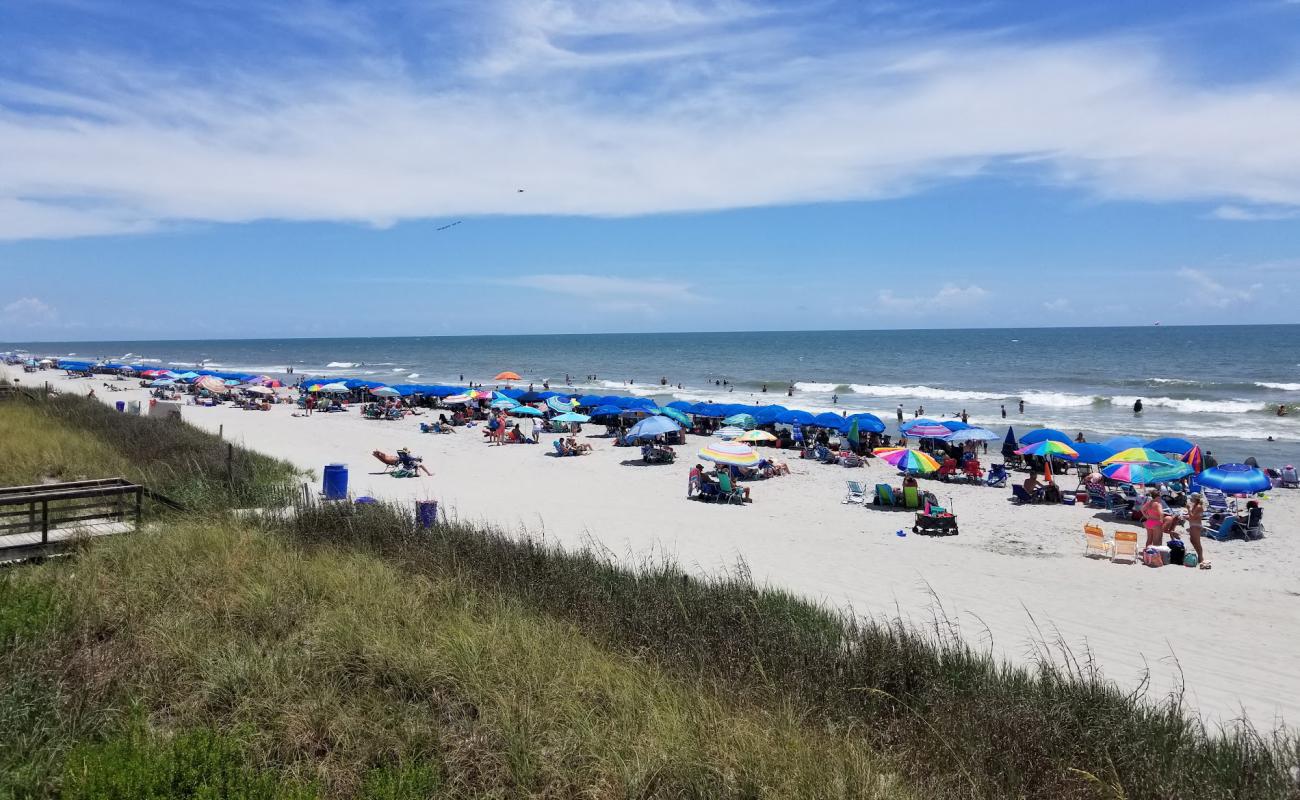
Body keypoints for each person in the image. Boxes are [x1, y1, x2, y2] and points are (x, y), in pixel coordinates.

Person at [1185, 492, 1207, 565]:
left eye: (1191, 499)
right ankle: (1200, 556)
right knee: (1192, 540)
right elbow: (1193, 517)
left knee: (1197, 542)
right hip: (1193, 525)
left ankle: (1201, 557)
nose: (1190, 500)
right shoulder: (1195, 505)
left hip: (1196, 526)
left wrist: (1188, 509)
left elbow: (1193, 517)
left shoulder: (1198, 507)